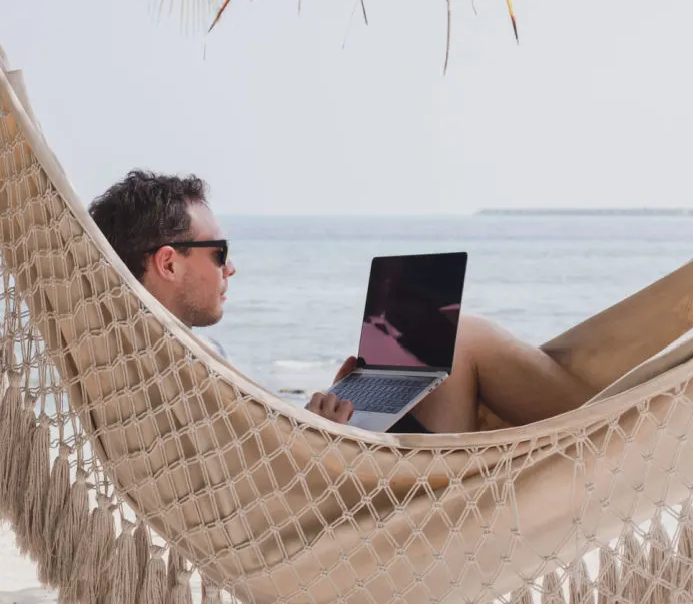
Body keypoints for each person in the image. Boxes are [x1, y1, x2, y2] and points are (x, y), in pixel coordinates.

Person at [90, 170, 595, 435]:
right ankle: (623, 423)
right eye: (219, 253)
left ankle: (620, 418)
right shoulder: (177, 366)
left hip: (335, 481)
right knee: (463, 335)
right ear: (169, 263)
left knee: (437, 344)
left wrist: (318, 416)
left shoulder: (139, 359)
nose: (230, 267)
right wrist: (319, 434)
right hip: (358, 520)